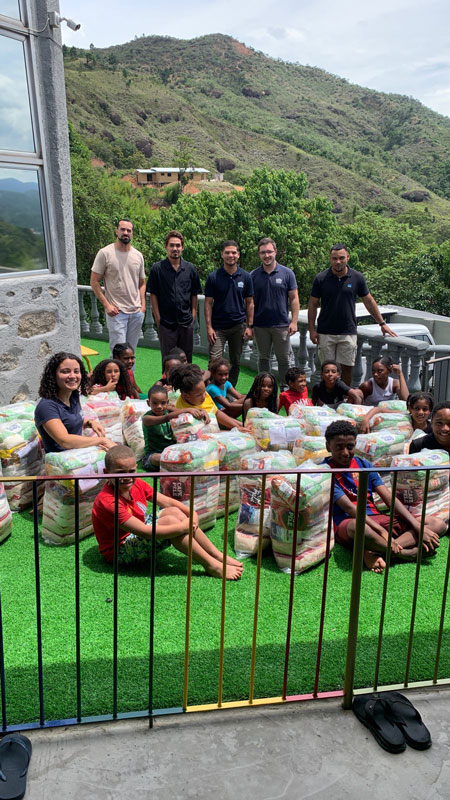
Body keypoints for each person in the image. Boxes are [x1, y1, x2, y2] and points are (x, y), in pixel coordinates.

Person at [92, 445, 243, 579]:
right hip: (120, 550)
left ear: (136, 468)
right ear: (106, 472)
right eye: (121, 473)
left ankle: (216, 555)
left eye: (131, 471)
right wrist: (183, 527)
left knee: (175, 512)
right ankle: (211, 565)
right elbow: (144, 531)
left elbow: (168, 502)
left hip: (137, 531)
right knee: (172, 522)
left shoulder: (137, 483)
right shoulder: (108, 501)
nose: (128, 477)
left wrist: (192, 514)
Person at [324, 420, 446, 573]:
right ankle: (405, 554)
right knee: (358, 527)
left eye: (350, 446)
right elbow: (349, 508)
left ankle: (376, 551)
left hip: (377, 518)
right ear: (328, 446)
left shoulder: (364, 465)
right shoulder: (325, 471)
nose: (345, 452)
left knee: (437, 524)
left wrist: (418, 528)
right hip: (349, 523)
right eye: (339, 447)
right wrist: (383, 533)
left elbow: (389, 499)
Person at [308, 244, 397, 386]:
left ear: (348, 257)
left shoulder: (357, 277)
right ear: (330, 259)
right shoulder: (321, 278)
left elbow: (368, 301)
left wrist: (382, 323)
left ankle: (344, 396)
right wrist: (312, 329)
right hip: (325, 331)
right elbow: (312, 304)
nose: (338, 261)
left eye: (341, 258)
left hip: (348, 331)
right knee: (327, 370)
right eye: (334, 258)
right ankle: (327, 396)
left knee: (347, 369)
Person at [34, 352, 115, 454]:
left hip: (78, 453)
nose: (72, 376)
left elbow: (70, 420)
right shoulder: (47, 406)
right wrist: (102, 441)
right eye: (65, 371)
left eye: (76, 371)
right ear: (53, 375)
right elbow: (65, 441)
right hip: (62, 460)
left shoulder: (73, 396)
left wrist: (90, 423)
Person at [90, 219, 146, 355]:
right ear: (117, 231)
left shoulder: (138, 255)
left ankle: (130, 372)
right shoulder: (105, 253)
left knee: (131, 353)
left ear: (132, 233)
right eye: (122, 229)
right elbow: (94, 281)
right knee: (118, 352)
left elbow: (142, 283)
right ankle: (114, 371)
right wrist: (107, 305)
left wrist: (142, 306)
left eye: (129, 230)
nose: (125, 232)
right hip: (117, 313)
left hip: (136, 312)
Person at [147, 230, 202, 365]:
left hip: (186, 322)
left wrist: (192, 316)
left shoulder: (190, 269)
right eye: (172, 245)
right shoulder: (157, 269)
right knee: (168, 361)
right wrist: (158, 319)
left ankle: (186, 380)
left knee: (186, 360)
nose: (175, 248)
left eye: (178, 245)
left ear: (182, 247)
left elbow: (194, 294)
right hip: (166, 323)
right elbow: (153, 295)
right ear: (166, 247)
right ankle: (168, 381)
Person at [250, 238, 299, 388]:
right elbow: (249, 303)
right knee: (263, 359)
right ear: (259, 254)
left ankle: (285, 389)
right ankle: (264, 387)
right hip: (260, 325)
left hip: (281, 325)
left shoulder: (287, 273)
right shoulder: (253, 275)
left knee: (284, 360)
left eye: (269, 252)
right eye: (263, 252)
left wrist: (294, 321)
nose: (266, 255)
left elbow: (294, 299)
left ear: (275, 252)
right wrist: (249, 325)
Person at [204, 240, 254, 386]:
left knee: (235, 362)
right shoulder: (214, 277)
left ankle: (230, 390)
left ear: (238, 255)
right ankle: (212, 391)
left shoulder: (245, 277)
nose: (230, 255)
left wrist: (249, 326)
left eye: (233, 252)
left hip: (238, 326)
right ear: (222, 254)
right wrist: (209, 327)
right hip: (217, 327)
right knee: (214, 362)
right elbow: (208, 303)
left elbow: (250, 303)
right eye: (227, 252)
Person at [141, 384, 207, 470]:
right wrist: (187, 409)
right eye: (155, 403)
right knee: (160, 458)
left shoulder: (168, 410)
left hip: (172, 451)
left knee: (186, 453)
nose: (159, 406)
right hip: (153, 455)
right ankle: (179, 463)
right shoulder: (147, 418)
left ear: (167, 402)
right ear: (148, 403)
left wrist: (202, 411)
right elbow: (166, 418)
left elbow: (184, 412)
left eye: (163, 403)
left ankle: (179, 463)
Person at [172, 363, 247, 431]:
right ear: (185, 395)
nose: (204, 397)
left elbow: (216, 413)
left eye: (204, 392)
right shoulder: (183, 411)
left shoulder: (201, 394)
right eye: (199, 395)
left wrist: (238, 426)